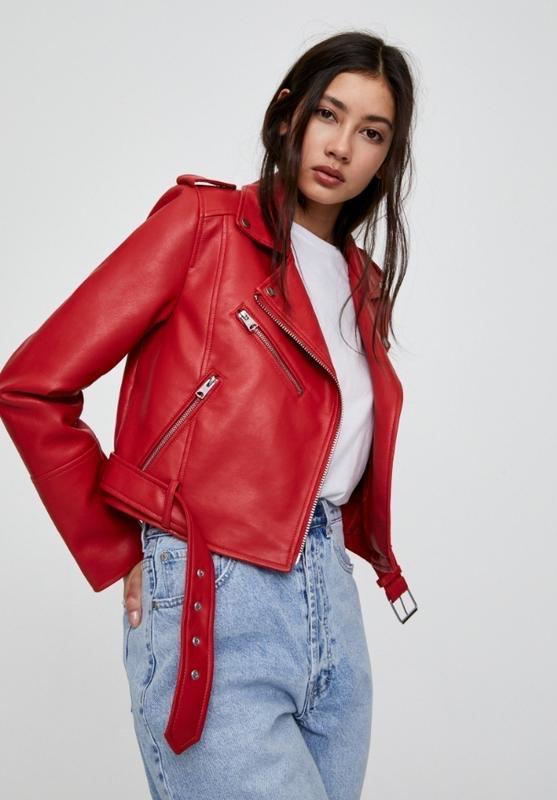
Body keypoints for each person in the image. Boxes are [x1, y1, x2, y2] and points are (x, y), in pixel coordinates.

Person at [0, 30, 418, 800]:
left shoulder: (362, 285)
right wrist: (121, 550)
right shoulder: (205, 227)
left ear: (386, 159)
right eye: (328, 114)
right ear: (288, 115)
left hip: (332, 608)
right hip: (213, 596)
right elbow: (31, 385)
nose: (340, 146)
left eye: (371, 133)